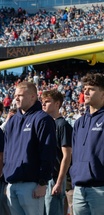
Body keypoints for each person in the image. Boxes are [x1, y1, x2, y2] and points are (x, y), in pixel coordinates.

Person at [3, 81, 56, 215]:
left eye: (20, 95)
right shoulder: (12, 121)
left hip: (32, 185)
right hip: (12, 183)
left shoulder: (42, 119)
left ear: (33, 96)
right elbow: (6, 153)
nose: (16, 98)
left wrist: (43, 182)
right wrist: (6, 182)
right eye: (15, 95)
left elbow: (48, 152)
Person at [70, 72, 104, 214]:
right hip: (79, 188)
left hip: (100, 188)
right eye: (85, 89)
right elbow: (75, 153)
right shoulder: (79, 122)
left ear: (103, 93)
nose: (86, 92)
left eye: (91, 89)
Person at [41, 89, 72, 215]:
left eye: (47, 102)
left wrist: (59, 182)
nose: (43, 104)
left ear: (57, 104)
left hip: (55, 178)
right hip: (43, 178)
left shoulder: (62, 125)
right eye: (42, 102)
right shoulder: (45, 124)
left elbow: (66, 155)